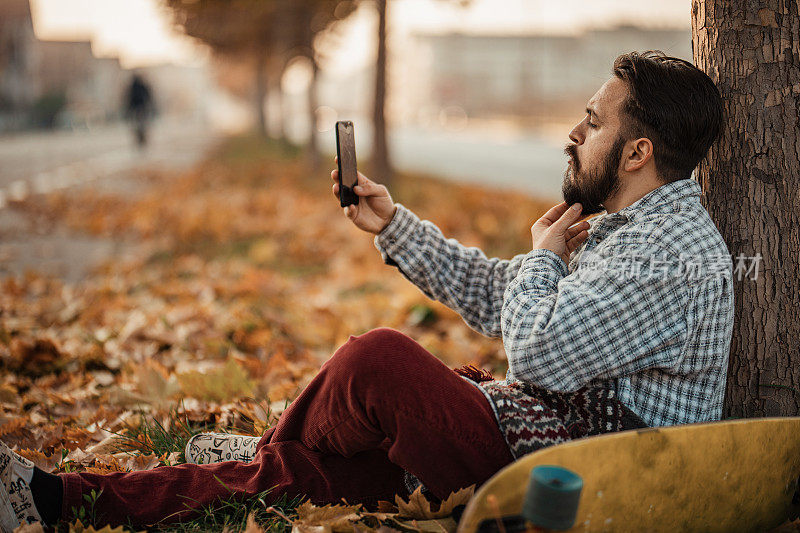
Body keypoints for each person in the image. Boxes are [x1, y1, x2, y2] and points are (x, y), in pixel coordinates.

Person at [0, 50, 733, 531]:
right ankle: (59, 500)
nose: (574, 133)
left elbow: (536, 348)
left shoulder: (666, 254)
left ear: (638, 152)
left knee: (377, 358)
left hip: (575, 480)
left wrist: (542, 259)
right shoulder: (627, 228)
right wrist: (395, 226)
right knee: (307, 474)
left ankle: (253, 452)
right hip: (537, 439)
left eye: (593, 121)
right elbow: (503, 294)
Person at [124, 74, 155, 149]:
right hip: (142, 108)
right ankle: (142, 139)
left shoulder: (132, 87)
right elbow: (148, 96)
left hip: (136, 109)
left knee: (138, 125)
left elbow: (128, 99)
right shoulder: (143, 86)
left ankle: (140, 139)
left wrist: (129, 109)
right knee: (142, 125)